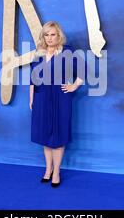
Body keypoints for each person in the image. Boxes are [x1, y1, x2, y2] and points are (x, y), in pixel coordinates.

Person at [29, 21, 84, 188]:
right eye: (46, 35)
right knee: (46, 136)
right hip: (41, 97)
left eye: (53, 34)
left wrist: (73, 85)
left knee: (58, 137)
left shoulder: (68, 52)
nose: (50, 38)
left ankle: (57, 172)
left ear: (58, 35)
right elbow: (32, 79)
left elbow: (83, 70)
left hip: (61, 97)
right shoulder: (38, 54)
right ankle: (48, 170)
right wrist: (31, 99)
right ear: (43, 37)